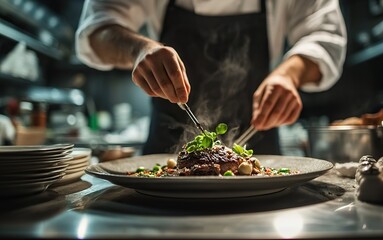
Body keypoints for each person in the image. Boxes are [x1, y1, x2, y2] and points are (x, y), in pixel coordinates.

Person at [76, 0, 347, 155]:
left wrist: (289, 75)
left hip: (262, 156)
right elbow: (97, 28)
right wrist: (138, 50)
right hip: (164, 154)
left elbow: (325, 35)